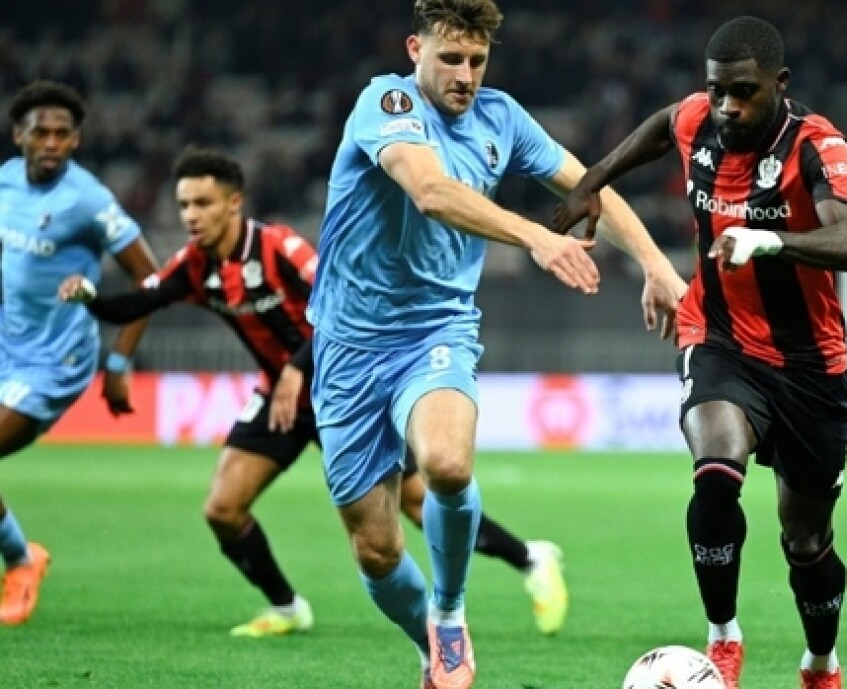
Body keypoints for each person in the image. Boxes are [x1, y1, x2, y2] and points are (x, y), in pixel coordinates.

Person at [307, 1, 687, 687]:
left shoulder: (501, 119)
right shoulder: (386, 103)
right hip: (349, 345)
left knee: (448, 465)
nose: (465, 75)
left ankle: (449, 611)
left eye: (477, 61)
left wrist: (656, 265)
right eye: (450, 58)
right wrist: (536, 235)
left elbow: (589, 185)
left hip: (436, 330)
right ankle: (427, 644)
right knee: (376, 548)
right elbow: (429, 191)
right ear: (415, 49)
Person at [58, 146, 571, 639]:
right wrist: (89, 297)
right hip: (282, 402)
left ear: (234, 203)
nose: (191, 215)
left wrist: (296, 368)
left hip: (346, 392)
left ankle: (532, 558)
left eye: (203, 203)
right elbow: (136, 304)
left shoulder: (278, 248)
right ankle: (287, 607)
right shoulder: (194, 265)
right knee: (222, 509)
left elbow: (338, 304)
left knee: (419, 506)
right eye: (184, 205)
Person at [554, 16, 847, 689]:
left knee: (806, 540)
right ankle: (723, 636)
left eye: (744, 92)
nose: (726, 106)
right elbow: (662, 124)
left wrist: (771, 241)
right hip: (718, 336)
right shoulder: (700, 118)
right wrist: (595, 177)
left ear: (779, 85)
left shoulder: (815, 144)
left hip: (810, 365)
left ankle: (820, 663)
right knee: (716, 472)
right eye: (717, 90)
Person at [0, 81, 158, 626]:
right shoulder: (5, 182)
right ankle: (22, 556)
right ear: (19, 135)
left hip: (55, 363)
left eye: (61, 134)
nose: (50, 142)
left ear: (76, 141)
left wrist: (119, 361)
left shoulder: (87, 200)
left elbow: (150, 278)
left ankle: (21, 562)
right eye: (40, 132)